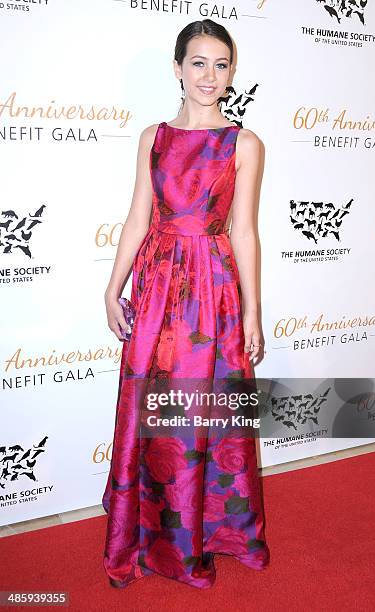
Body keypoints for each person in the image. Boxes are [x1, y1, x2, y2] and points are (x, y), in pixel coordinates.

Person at [102, 18, 270, 589]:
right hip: (155, 290)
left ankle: (209, 533)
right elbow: (136, 218)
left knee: (204, 415)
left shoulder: (244, 144)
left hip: (213, 292)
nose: (210, 75)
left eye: (221, 65)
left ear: (231, 73)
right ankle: (150, 530)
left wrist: (251, 312)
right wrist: (112, 286)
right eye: (198, 63)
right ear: (178, 68)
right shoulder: (153, 137)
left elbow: (244, 232)